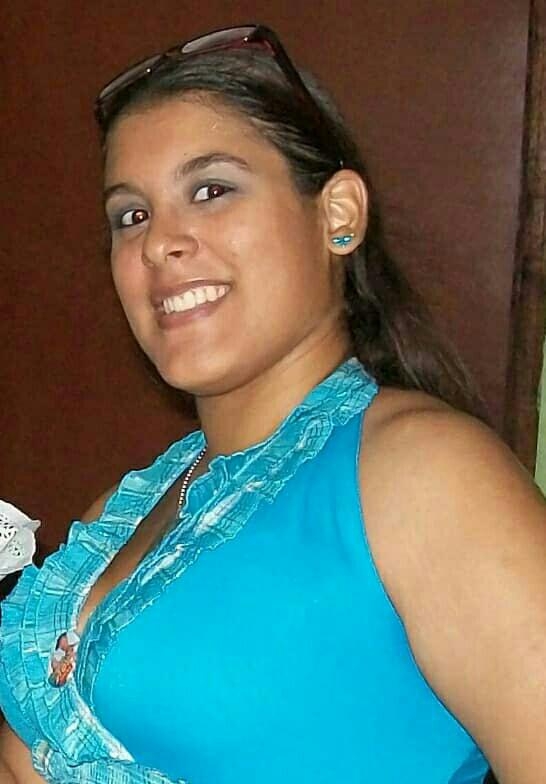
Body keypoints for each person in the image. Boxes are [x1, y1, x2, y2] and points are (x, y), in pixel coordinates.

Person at [0, 23, 544, 784]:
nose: (158, 244)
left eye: (211, 190)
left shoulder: (424, 475)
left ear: (338, 215)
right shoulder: (129, 511)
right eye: (131, 215)